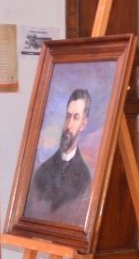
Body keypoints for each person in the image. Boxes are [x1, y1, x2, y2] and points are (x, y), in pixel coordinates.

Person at [28, 88, 93, 217]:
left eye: (75, 118)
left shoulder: (85, 178)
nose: (69, 125)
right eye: (68, 116)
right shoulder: (42, 170)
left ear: (83, 124)